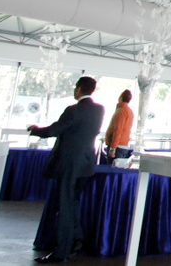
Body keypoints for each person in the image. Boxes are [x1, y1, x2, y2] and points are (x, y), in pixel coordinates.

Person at [28, 76, 105, 264]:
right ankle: (76, 238)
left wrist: (35, 129)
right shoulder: (99, 110)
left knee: (64, 207)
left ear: (78, 89)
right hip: (86, 164)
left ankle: (61, 251)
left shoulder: (73, 110)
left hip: (68, 165)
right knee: (73, 203)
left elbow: (54, 131)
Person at [103, 89, 134, 163]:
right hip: (124, 145)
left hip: (117, 147)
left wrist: (113, 148)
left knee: (112, 167)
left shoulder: (121, 111)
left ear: (120, 97)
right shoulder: (129, 111)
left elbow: (118, 130)